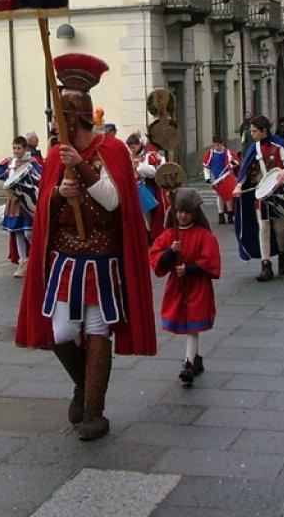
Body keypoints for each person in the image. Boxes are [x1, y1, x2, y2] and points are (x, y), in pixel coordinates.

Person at [15, 52, 156, 441]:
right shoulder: (56, 157)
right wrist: (60, 193)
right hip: (66, 261)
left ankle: (94, 410)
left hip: (102, 259)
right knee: (61, 333)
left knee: (97, 330)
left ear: (77, 118)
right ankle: (83, 385)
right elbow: (43, 208)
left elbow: (115, 202)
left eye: (63, 120)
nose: (58, 129)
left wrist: (86, 168)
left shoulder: (110, 151)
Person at [150, 189, 221, 387]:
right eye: (179, 211)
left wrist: (190, 268)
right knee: (190, 323)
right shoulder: (169, 235)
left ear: (195, 213)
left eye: (187, 212)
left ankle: (188, 363)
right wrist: (170, 254)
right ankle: (196, 358)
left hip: (197, 286)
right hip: (178, 286)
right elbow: (156, 255)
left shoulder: (203, 235)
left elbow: (211, 260)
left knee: (193, 325)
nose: (182, 215)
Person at [232, 115, 284, 282]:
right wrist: (238, 185)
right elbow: (245, 170)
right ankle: (266, 266)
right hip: (261, 196)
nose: (252, 134)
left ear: (264, 131)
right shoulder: (253, 148)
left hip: (278, 194)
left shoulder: (279, 146)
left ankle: (282, 254)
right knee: (263, 228)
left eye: (255, 131)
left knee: (279, 230)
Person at [0, 136, 40, 278]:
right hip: (14, 203)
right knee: (18, 232)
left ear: (25, 148)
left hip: (28, 203)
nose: (16, 151)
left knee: (29, 233)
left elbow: (41, 176)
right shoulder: (9, 162)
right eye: (14, 148)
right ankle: (24, 262)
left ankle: (38, 258)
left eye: (19, 148)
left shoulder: (32, 162)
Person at [202, 135, 239, 224]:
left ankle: (230, 214)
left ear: (222, 144)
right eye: (215, 145)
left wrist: (232, 164)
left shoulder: (227, 153)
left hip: (226, 176)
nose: (217, 147)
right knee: (219, 196)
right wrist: (207, 177)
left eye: (218, 145)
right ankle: (220, 214)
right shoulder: (211, 154)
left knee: (228, 195)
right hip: (216, 178)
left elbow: (235, 162)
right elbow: (206, 166)